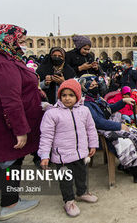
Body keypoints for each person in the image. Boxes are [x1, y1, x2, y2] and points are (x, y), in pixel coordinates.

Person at [0, 24, 41, 220]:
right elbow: (11, 100)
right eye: (19, 39)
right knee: (12, 160)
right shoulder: (3, 63)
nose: (22, 43)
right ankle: (10, 203)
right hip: (8, 124)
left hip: (3, 121)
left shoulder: (3, 57)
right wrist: (20, 129)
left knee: (0, 158)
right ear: (7, 38)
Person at [39, 79, 99, 217]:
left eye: (71, 95)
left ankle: (82, 193)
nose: (67, 98)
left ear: (77, 96)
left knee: (81, 174)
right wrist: (44, 155)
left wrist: (93, 144)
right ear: (59, 96)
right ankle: (69, 200)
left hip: (81, 153)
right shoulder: (52, 113)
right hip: (62, 156)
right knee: (66, 180)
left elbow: (91, 128)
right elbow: (46, 136)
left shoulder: (84, 110)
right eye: (64, 95)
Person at [80, 75, 137, 182]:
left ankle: (128, 166)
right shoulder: (87, 104)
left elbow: (108, 110)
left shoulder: (96, 100)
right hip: (102, 133)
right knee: (126, 141)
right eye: (92, 86)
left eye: (96, 84)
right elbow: (98, 122)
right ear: (85, 88)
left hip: (108, 125)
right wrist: (119, 126)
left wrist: (123, 101)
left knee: (133, 132)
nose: (96, 87)